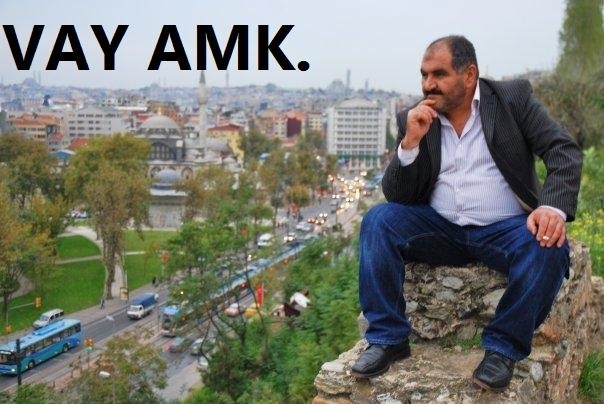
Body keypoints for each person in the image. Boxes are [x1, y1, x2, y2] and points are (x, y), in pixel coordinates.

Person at [350, 35, 582, 392]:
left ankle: (502, 349)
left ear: (469, 74)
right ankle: (388, 339)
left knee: (549, 245)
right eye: (424, 74)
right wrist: (409, 144)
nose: (428, 84)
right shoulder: (415, 118)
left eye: (439, 74)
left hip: (506, 229)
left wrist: (551, 208)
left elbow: (562, 150)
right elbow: (398, 195)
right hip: (441, 228)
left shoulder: (511, 100)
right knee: (378, 222)